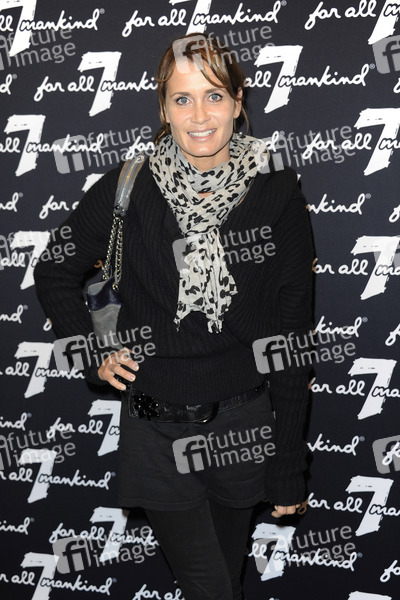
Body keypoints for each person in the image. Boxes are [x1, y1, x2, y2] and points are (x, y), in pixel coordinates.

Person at [34, 33, 314, 600]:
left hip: (244, 428)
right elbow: (53, 268)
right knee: (212, 588)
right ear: (163, 109)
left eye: (214, 96)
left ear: (238, 102)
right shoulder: (130, 185)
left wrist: (288, 461)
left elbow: (291, 335)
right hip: (156, 432)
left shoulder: (277, 189)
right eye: (182, 99)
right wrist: (91, 352)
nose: (200, 116)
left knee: (223, 579)